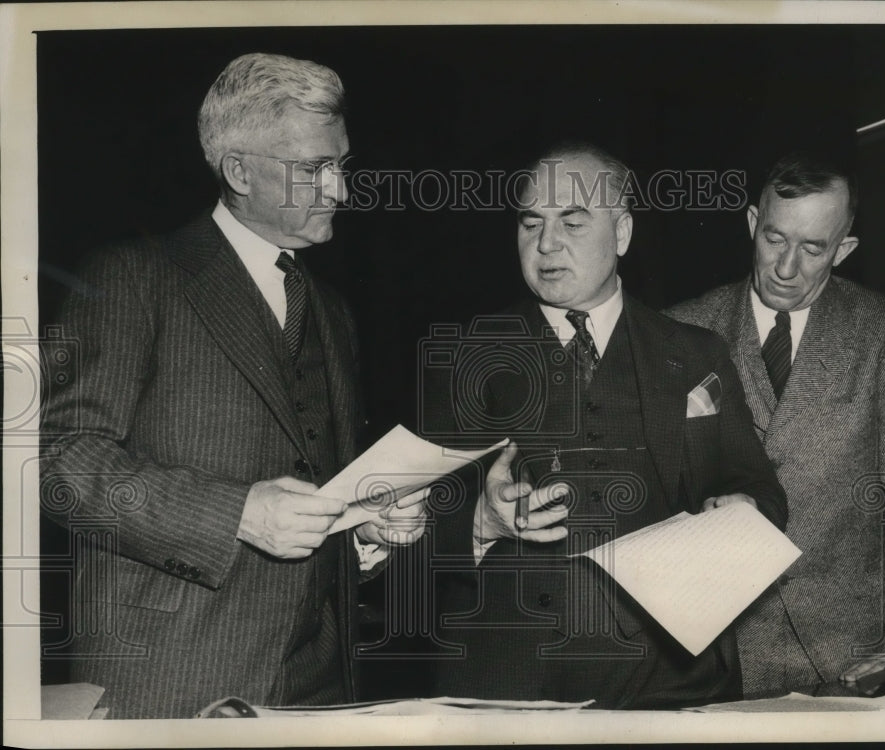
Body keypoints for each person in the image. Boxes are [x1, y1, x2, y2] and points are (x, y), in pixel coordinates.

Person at [39, 52, 426, 719]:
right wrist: (238, 513)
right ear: (238, 171)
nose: (339, 191)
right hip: (171, 682)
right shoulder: (132, 278)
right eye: (313, 169)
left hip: (318, 685)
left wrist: (364, 531)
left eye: (341, 165)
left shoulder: (331, 311)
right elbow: (56, 459)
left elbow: (309, 486)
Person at [424, 144, 787, 709]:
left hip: (672, 678)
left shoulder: (695, 354)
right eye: (530, 223)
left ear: (621, 233)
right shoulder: (463, 356)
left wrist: (744, 509)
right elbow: (405, 520)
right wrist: (479, 519)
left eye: (572, 221)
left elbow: (761, 489)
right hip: (508, 684)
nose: (546, 244)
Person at [666, 149, 885, 698]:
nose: (786, 268)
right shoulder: (680, 329)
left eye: (813, 248)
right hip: (714, 661)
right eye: (776, 239)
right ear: (754, 224)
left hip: (853, 655)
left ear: (844, 249)